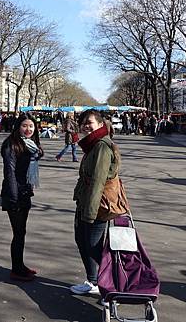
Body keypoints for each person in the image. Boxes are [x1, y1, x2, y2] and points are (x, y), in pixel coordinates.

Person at [70, 109, 122, 295]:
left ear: (100, 124)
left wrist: (90, 213)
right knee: (82, 241)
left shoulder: (101, 146)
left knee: (93, 247)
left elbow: (98, 181)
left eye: (89, 122)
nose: (85, 125)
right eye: (83, 121)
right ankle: (93, 281)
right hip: (86, 203)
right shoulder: (92, 144)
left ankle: (111, 287)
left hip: (97, 206)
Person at [0, 113, 43, 281]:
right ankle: (16, 270)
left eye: (31, 126)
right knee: (18, 233)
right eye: (24, 126)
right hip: (14, 193)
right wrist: (13, 197)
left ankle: (20, 265)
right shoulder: (11, 145)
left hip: (25, 192)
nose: (28, 129)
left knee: (22, 232)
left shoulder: (29, 145)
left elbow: (39, 153)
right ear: (18, 127)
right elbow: (9, 172)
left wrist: (36, 151)